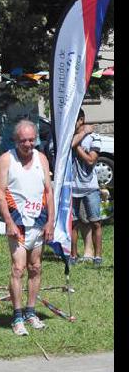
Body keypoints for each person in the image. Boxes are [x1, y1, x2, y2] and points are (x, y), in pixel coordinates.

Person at [0, 120, 55, 336]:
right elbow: (0, 193)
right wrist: (8, 222)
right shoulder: (6, 160)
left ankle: (31, 312)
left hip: (38, 220)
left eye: (31, 140)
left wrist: (50, 221)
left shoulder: (41, 158)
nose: (28, 144)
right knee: (18, 268)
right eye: (23, 141)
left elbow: (48, 191)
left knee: (36, 267)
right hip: (17, 220)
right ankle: (17, 315)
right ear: (15, 141)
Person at [70, 110, 103, 266]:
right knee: (73, 223)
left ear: (81, 120)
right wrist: (78, 137)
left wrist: (77, 145)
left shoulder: (94, 137)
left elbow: (91, 161)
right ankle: (73, 255)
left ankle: (97, 256)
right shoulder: (69, 137)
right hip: (72, 187)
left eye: (74, 120)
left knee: (95, 222)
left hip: (90, 187)